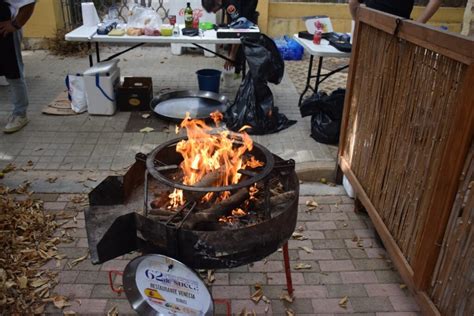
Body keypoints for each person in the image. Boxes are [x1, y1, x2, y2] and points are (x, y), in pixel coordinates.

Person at [0, 0, 35, 134]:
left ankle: (20, 114)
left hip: (5, 33)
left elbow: (29, 3)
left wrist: (15, 24)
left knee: (13, 73)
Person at [202, 0, 258, 72]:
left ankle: (239, 70)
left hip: (247, 5)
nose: (214, 12)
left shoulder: (232, 5)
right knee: (234, 27)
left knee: (241, 37)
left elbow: (239, 30)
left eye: (213, 10)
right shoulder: (225, 3)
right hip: (238, 5)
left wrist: (232, 56)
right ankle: (237, 68)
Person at [349, 0, 441, 23]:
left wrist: (357, 23)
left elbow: (353, 2)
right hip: (400, 29)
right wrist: (418, 24)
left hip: (368, 26)